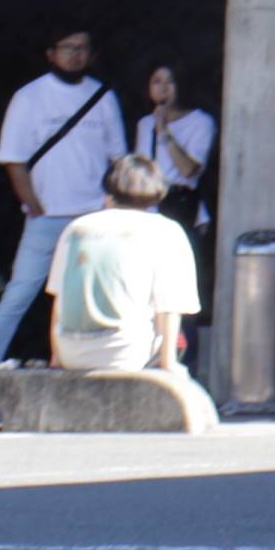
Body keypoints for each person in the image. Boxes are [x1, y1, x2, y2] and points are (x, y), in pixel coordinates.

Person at [0, 26, 124, 365]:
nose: (75, 54)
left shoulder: (103, 97)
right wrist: (34, 204)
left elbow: (118, 160)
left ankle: (78, 363)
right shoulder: (29, 97)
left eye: (82, 47)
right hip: (46, 216)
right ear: (51, 53)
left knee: (87, 297)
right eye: (68, 47)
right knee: (19, 293)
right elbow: (14, 159)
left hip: (93, 215)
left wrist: (110, 204)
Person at [49, 153, 203, 396]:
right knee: (181, 335)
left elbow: (60, 299)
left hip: (70, 351)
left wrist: (57, 356)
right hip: (125, 352)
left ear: (110, 190)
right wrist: (168, 364)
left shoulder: (76, 229)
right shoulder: (166, 230)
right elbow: (170, 305)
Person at [129, 59, 217, 272]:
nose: (163, 88)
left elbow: (188, 169)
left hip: (179, 205)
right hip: (147, 208)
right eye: (157, 82)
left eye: (170, 82)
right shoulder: (144, 124)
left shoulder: (200, 122)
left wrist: (164, 131)